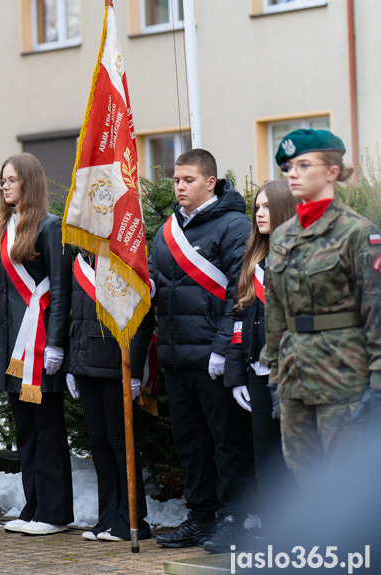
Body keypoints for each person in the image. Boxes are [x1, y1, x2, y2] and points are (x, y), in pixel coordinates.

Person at [261, 129, 381, 487]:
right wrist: (274, 373)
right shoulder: (283, 236)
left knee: (347, 481)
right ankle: (322, 545)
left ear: (332, 172)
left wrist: (377, 381)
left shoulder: (358, 232)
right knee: (304, 474)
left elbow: (376, 310)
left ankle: (356, 546)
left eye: (303, 165)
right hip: (294, 375)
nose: (292, 173)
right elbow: (277, 313)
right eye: (287, 167)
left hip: (343, 375)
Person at [148, 149, 253, 553]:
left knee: (227, 442)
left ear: (210, 182)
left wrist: (224, 348)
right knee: (190, 443)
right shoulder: (167, 229)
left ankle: (234, 519)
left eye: (188, 180)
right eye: (176, 180)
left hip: (213, 358)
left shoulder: (234, 226)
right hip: (175, 356)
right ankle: (200, 516)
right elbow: (159, 280)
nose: (179, 187)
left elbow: (239, 292)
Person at [0, 153, 73, 536]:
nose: (5, 186)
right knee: (26, 432)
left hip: (39, 350)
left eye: (11, 180)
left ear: (29, 182)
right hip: (11, 350)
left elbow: (60, 290)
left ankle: (54, 513)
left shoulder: (50, 227)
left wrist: (55, 343)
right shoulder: (5, 231)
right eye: (2, 180)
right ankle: (34, 507)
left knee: (48, 431)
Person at [66, 250, 154, 542]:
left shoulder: (123, 258)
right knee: (99, 444)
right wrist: (71, 365)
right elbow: (74, 315)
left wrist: (136, 371)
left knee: (120, 444)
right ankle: (107, 517)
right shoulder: (80, 261)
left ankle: (132, 520)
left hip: (116, 365)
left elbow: (142, 319)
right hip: (85, 364)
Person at [224, 180, 297, 530]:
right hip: (257, 372)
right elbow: (239, 320)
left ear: (283, 209)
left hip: (293, 373)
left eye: (267, 206)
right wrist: (237, 374)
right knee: (264, 451)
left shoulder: (298, 255)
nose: (259, 213)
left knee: (294, 454)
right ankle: (273, 526)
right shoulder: (253, 258)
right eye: (256, 207)